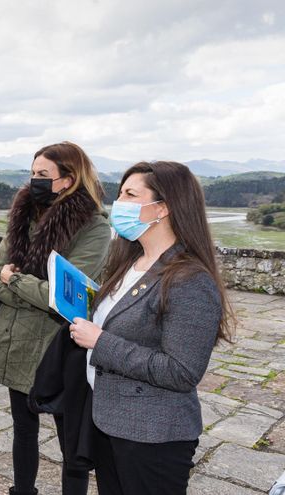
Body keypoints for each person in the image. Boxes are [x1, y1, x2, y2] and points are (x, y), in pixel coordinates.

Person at [69, 161, 234, 495]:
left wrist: (101, 342)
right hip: (110, 422)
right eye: (119, 194)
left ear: (163, 208)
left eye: (130, 194)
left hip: (152, 435)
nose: (119, 204)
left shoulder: (190, 280)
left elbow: (181, 371)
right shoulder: (130, 262)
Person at [0, 142, 111, 495]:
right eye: (32, 172)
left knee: (70, 443)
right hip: (17, 343)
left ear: (68, 180)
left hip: (58, 350)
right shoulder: (24, 216)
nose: (34, 181)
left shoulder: (93, 229)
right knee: (23, 431)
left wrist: (15, 280)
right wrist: (26, 289)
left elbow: (65, 300)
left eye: (43, 175)